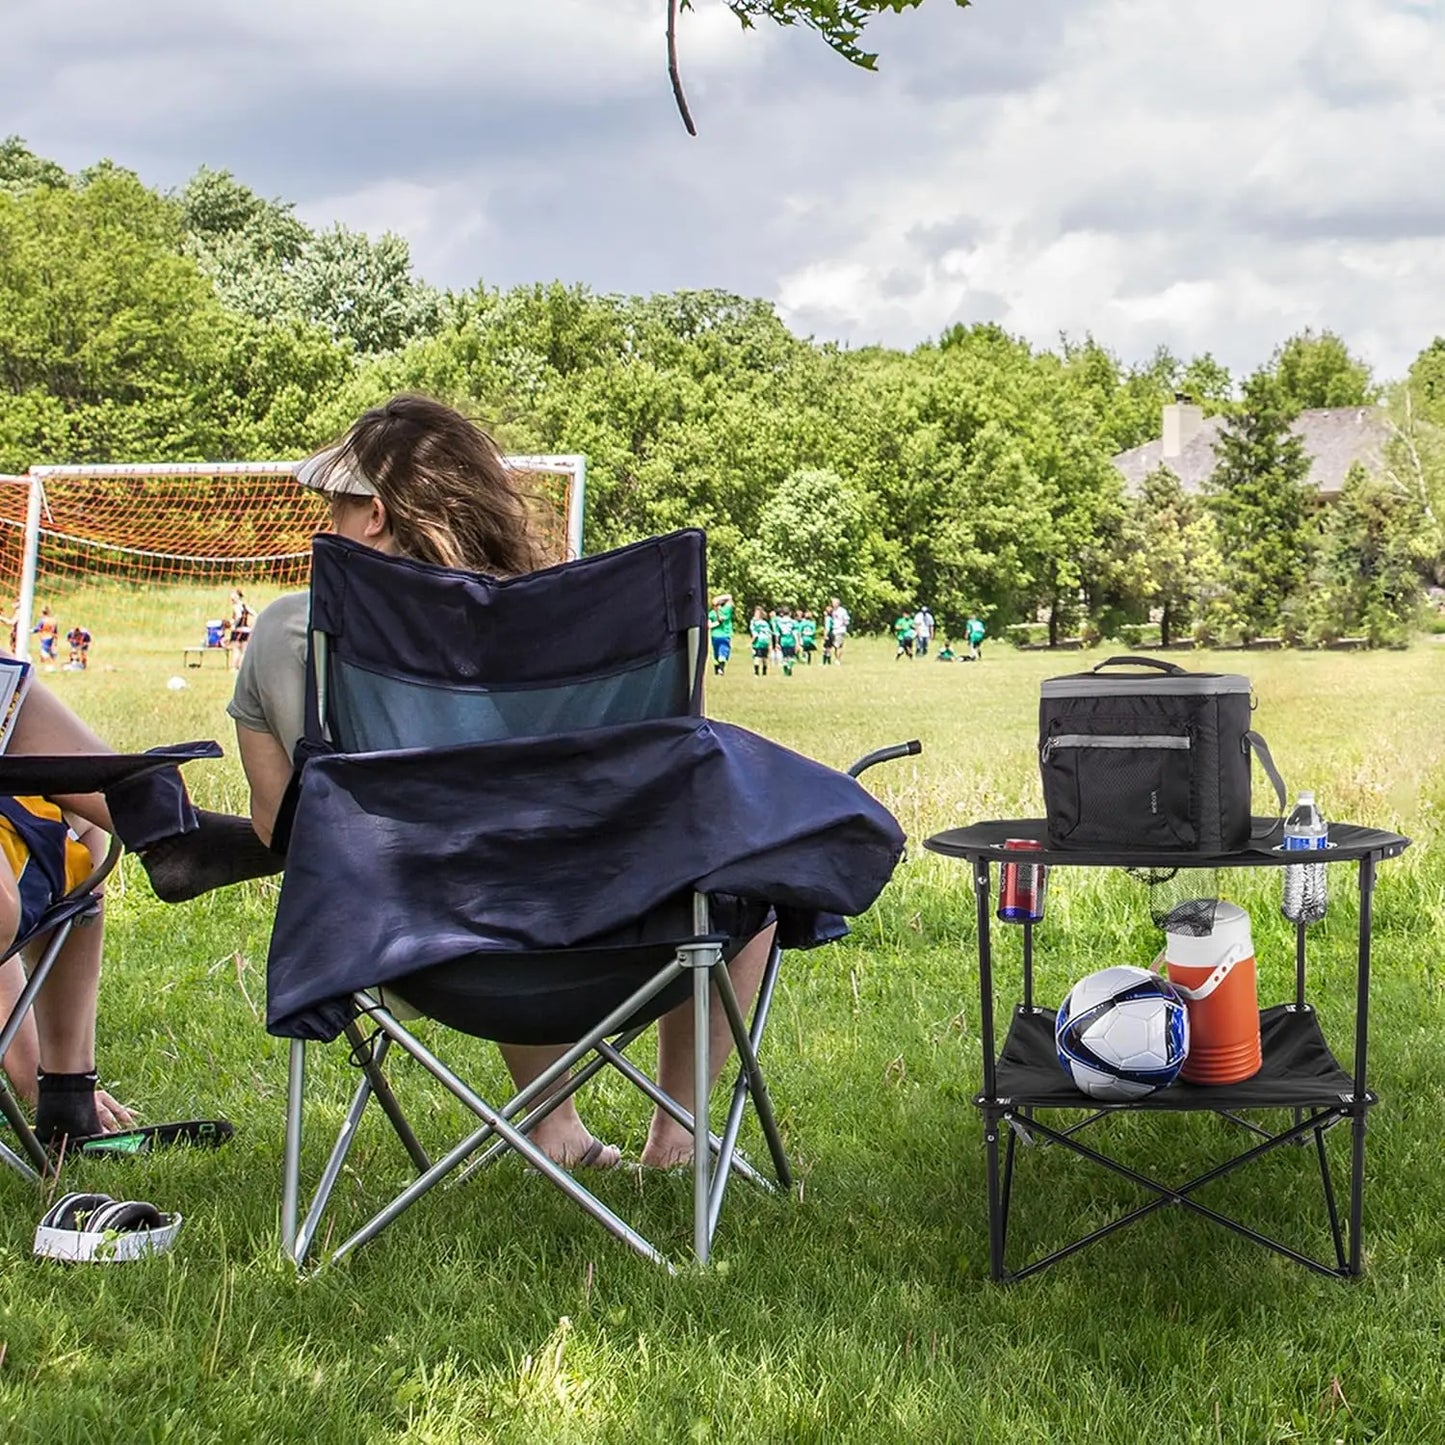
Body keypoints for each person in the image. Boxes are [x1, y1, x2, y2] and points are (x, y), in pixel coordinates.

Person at [228, 393, 777, 1171]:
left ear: (375, 514)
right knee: (741, 871)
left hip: (405, 950)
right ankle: (677, 1138)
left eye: (336, 507)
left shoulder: (289, 630)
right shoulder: (574, 629)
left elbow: (278, 827)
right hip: (621, 947)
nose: (327, 524)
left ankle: (554, 1125)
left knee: (482, 862)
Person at [707, 593, 734, 677]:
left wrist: (716, 623)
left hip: (715, 635)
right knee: (723, 651)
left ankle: (716, 670)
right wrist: (718, 598)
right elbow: (729, 597)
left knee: (716, 652)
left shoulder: (711, 613)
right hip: (725, 635)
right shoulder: (726, 610)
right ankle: (721, 670)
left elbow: (709, 626)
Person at [228, 589, 254, 672]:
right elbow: (254, 613)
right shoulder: (245, 606)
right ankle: (241, 668)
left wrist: (234, 625)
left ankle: (234, 667)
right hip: (246, 630)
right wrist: (251, 625)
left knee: (236, 649)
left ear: (237, 597)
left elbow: (238, 616)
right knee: (244, 651)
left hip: (238, 630)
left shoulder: (236, 606)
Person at [775, 607, 800, 677]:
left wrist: (777, 643)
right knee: (792, 657)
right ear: (790, 613)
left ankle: (786, 672)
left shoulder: (779, 622)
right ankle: (789, 666)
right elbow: (795, 633)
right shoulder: (793, 622)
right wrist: (797, 643)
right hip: (791, 640)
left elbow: (777, 634)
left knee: (785, 657)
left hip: (783, 641)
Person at [749, 605, 772, 677]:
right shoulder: (765, 623)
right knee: (765, 657)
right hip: (766, 641)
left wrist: (750, 643)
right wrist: (769, 643)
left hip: (759, 641)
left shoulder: (755, 623)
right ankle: (764, 673)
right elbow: (769, 633)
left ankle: (756, 673)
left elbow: (755, 635)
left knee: (757, 657)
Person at [827, 597, 849, 664]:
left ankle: (838, 660)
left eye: (834, 603)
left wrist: (842, 624)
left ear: (838, 603)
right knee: (835, 646)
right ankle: (837, 659)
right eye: (832, 603)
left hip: (840, 630)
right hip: (834, 630)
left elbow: (846, 620)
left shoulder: (842, 611)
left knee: (838, 645)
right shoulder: (832, 611)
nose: (832, 604)